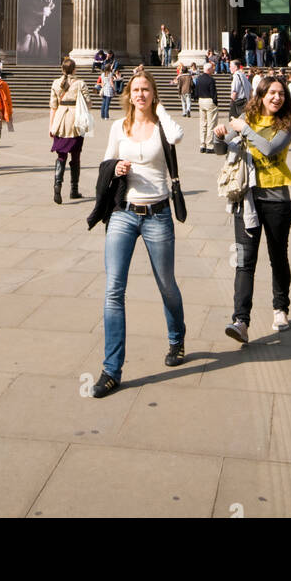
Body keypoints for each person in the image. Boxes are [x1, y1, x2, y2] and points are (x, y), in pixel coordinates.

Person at [90, 71, 186, 397]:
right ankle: (111, 369)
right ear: (127, 94)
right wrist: (115, 167)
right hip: (123, 214)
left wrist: (160, 111)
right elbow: (105, 162)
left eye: (146, 90)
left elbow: (178, 136)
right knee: (114, 289)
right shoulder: (119, 127)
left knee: (166, 285)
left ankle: (176, 338)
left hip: (158, 215)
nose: (140, 94)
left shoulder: (162, 127)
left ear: (153, 94)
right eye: (136, 90)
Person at [215, 74, 291, 342]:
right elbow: (221, 149)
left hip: (277, 200)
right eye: (272, 93)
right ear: (260, 95)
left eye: (281, 94)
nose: (277, 98)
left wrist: (243, 129)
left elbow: (270, 148)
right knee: (244, 262)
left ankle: (280, 307)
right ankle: (240, 320)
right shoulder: (245, 120)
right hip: (246, 199)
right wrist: (219, 136)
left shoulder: (288, 123)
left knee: (278, 257)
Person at [49, 57, 91, 202]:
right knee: (76, 156)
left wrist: (51, 126)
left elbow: (53, 107)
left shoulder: (55, 83)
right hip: (76, 122)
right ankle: (74, 189)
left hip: (60, 122)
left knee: (61, 156)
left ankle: (57, 187)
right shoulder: (80, 83)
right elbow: (89, 104)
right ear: (74, 69)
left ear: (62, 69)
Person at [192, 59, 218, 152]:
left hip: (201, 100)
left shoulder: (199, 79)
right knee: (211, 124)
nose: (213, 70)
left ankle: (202, 144)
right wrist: (215, 102)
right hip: (209, 101)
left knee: (203, 123)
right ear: (209, 70)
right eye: (212, 69)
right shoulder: (211, 80)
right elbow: (213, 92)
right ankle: (210, 145)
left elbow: (196, 90)